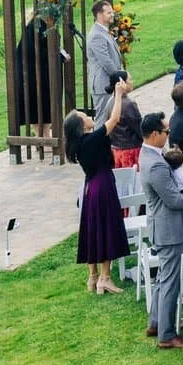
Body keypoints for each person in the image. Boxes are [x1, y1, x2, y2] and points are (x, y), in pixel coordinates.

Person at [139, 111, 183, 348]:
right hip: (168, 228)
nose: (169, 135)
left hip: (164, 226)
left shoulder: (150, 156)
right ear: (155, 134)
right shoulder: (156, 164)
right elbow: (172, 199)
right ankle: (166, 334)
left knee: (162, 278)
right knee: (170, 281)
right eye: (166, 132)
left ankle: (157, 322)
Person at [64, 76, 131, 294]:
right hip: (102, 184)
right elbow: (113, 119)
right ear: (80, 126)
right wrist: (119, 95)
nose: (89, 116)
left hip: (90, 185)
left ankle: (92, 277)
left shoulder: (80, 144)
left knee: (92, 229)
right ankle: (105, 277)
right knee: (105, 228)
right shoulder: (91, 140)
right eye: (85, 116)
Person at [87, 0, 125, 124]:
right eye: (108, 13)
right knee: (102, 119)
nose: (112, 15)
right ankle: (97, 144)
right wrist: (121, 77)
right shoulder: (96, 35)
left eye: (112, 12)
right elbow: (106, 62)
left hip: (110, 82)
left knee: (111, 118)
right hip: (103, 84)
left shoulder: (103, 31)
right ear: (99, 15)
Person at [108, 82, 144, 170]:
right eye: (129, 80)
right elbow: (139, 128)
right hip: (131, 151)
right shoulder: (129, 104)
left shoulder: (110, 101)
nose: (132, 82)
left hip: (116, 151)